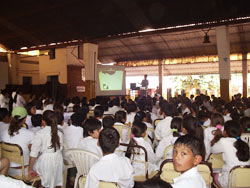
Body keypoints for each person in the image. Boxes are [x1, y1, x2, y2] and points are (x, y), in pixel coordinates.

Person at [28, 110, 64, 188]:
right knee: (57, 181)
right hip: (58, 158)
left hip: (45, 161)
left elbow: (33, 153)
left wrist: (30, 169)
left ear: (43, 121)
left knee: (43, 181)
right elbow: (61, 148)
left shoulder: (40, 133)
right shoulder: (59, 133)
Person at [211, 120, 250, 188]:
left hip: (230, 181)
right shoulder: (244, 142)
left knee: (213, 174)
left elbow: (212, 150)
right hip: (246, 180)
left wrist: (217, 137)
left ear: (225, 132)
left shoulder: (224, 141)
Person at [1, 107, 34, 176]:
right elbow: (32, 152)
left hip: (6, 169)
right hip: (22, 171)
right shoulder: (30, 134)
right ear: (25, 119)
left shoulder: (3, 133)